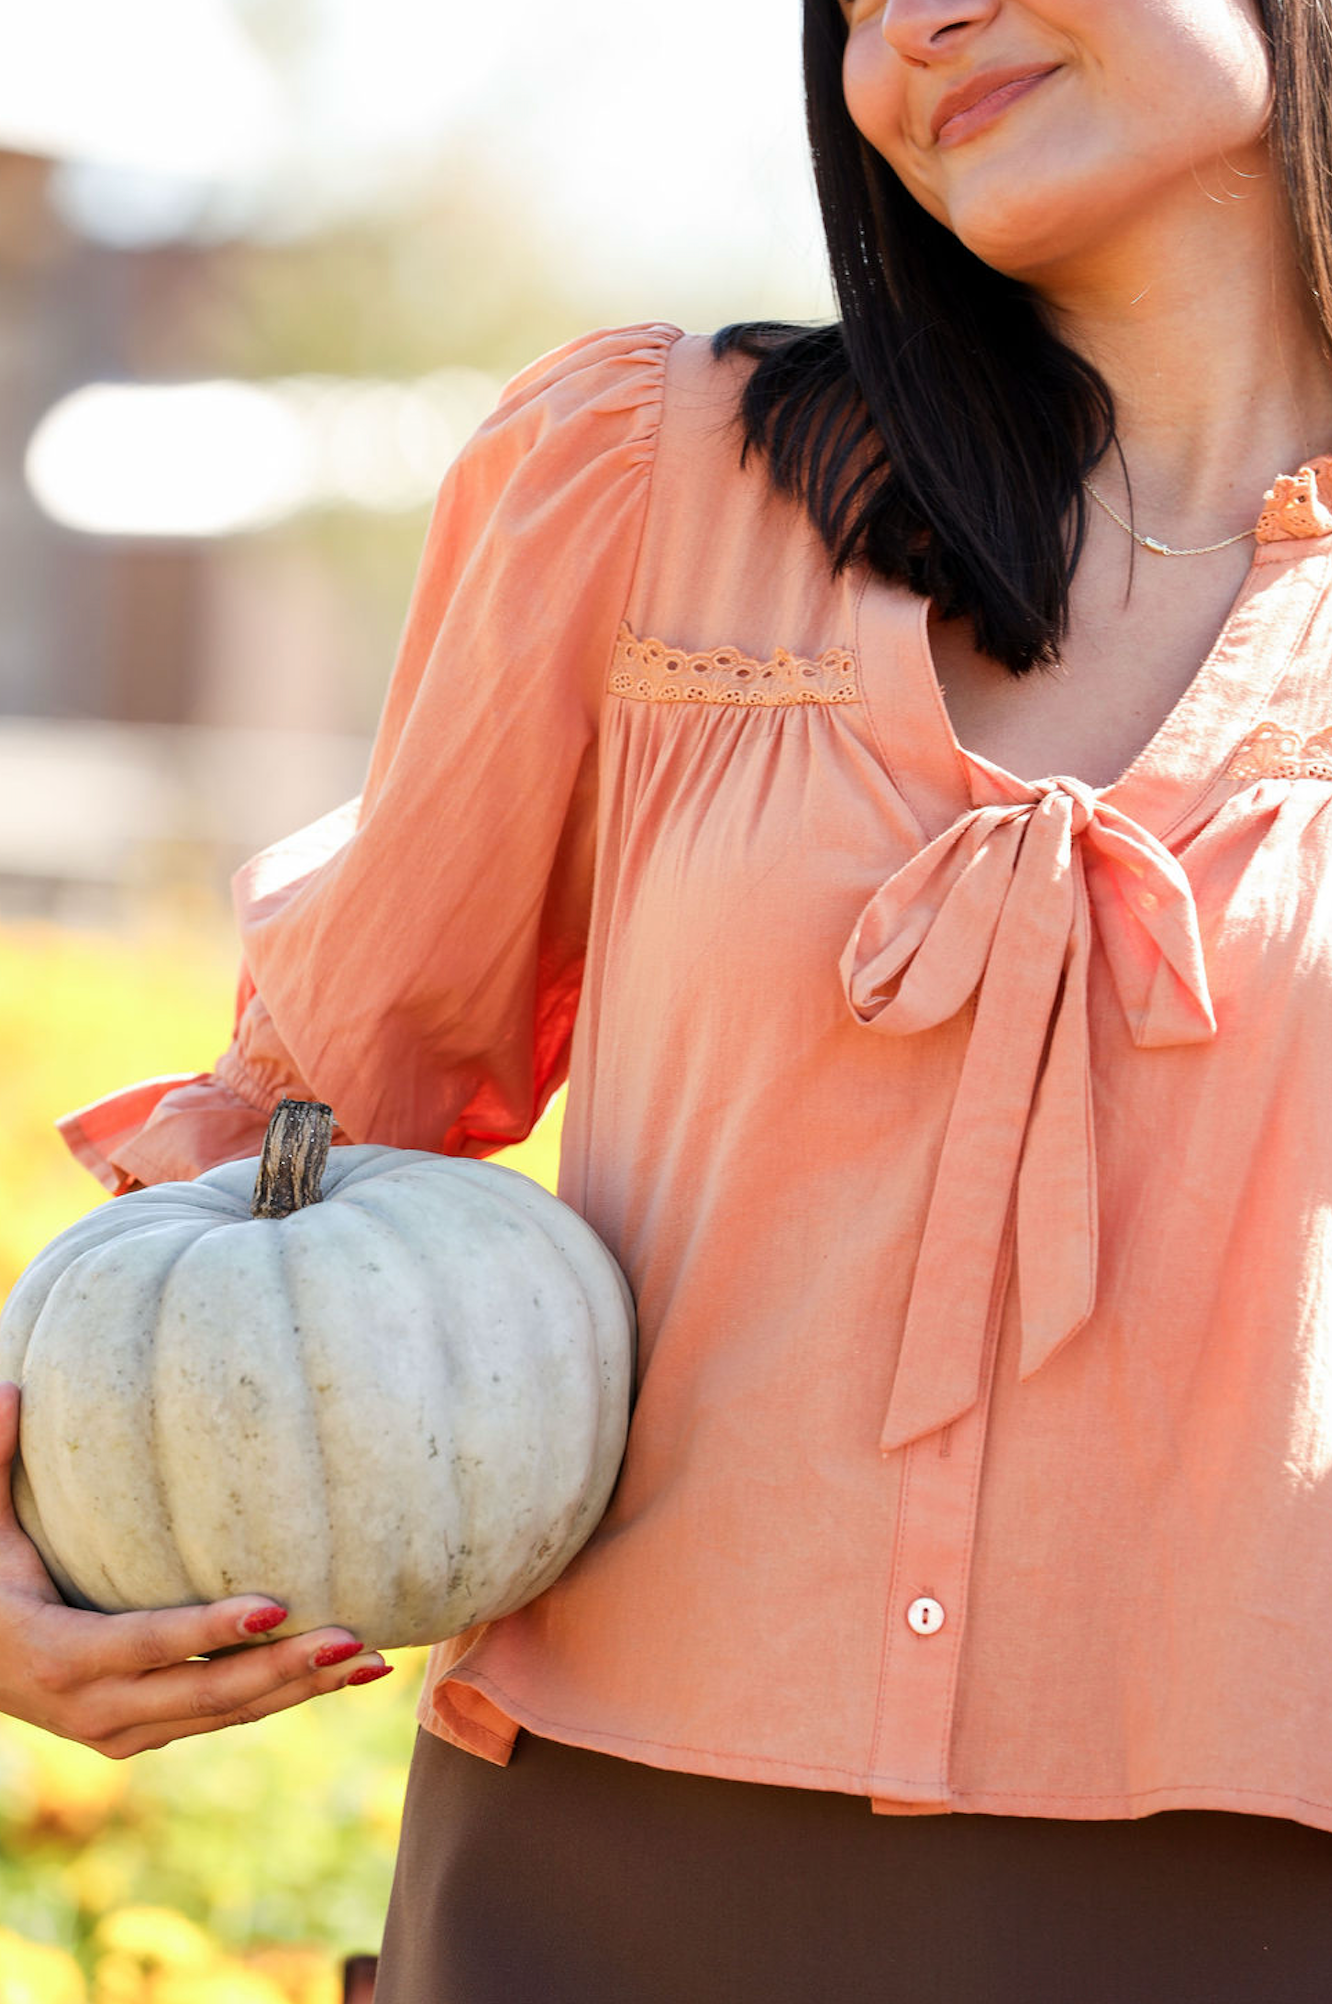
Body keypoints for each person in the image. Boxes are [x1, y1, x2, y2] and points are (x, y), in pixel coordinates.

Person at [9, 0, 1332, 1994]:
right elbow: (297, 1135)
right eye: (853, 1)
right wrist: (39, 1516)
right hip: (602, 1885)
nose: (915, 29)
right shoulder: (644, 480)